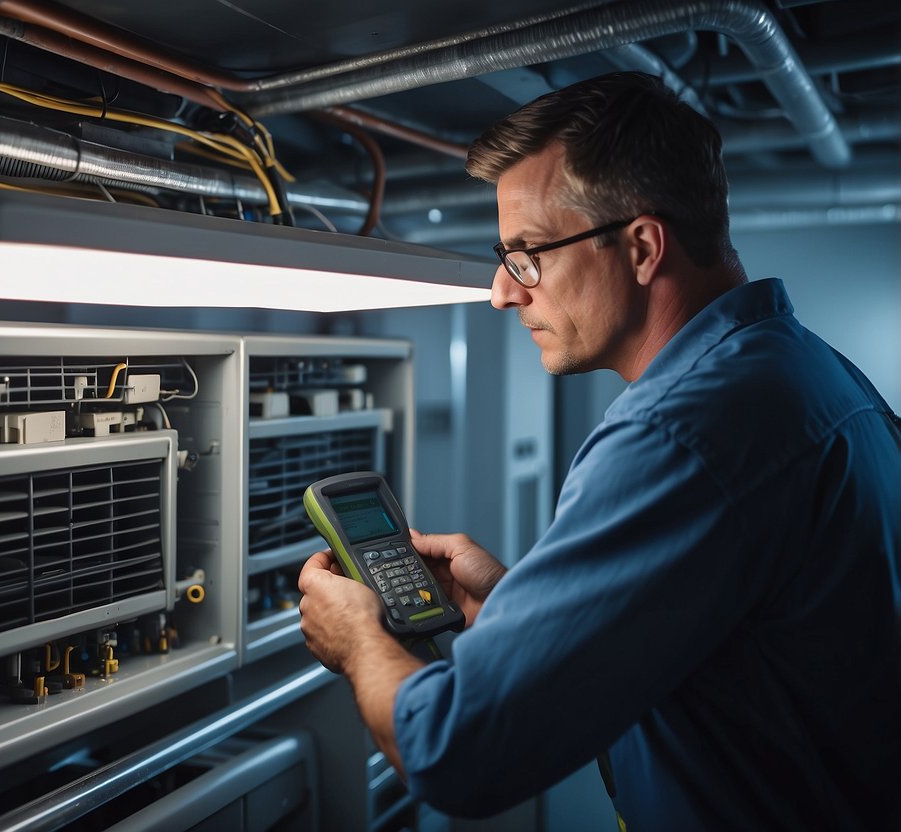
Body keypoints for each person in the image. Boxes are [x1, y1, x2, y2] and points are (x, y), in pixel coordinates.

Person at [298, 72, 901, 830]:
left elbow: (457, 751)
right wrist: (528, 605)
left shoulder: (677, 435)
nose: (502, 292)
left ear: (642, 246)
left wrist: (356, 639)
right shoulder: (807, 370)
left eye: (528, 254)